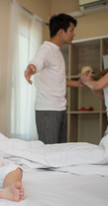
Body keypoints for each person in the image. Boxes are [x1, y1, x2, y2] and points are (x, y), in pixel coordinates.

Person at [24, 13, 83, 144]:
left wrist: (79, 83)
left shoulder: (57, 52)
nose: (74, 34)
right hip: (47, 110)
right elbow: (37, 61)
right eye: (72, 30)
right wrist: (32, 67)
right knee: (49, 154)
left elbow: (58, 80)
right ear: (61, 32)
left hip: (60, 108)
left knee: (59, 152)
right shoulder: (46, 49)